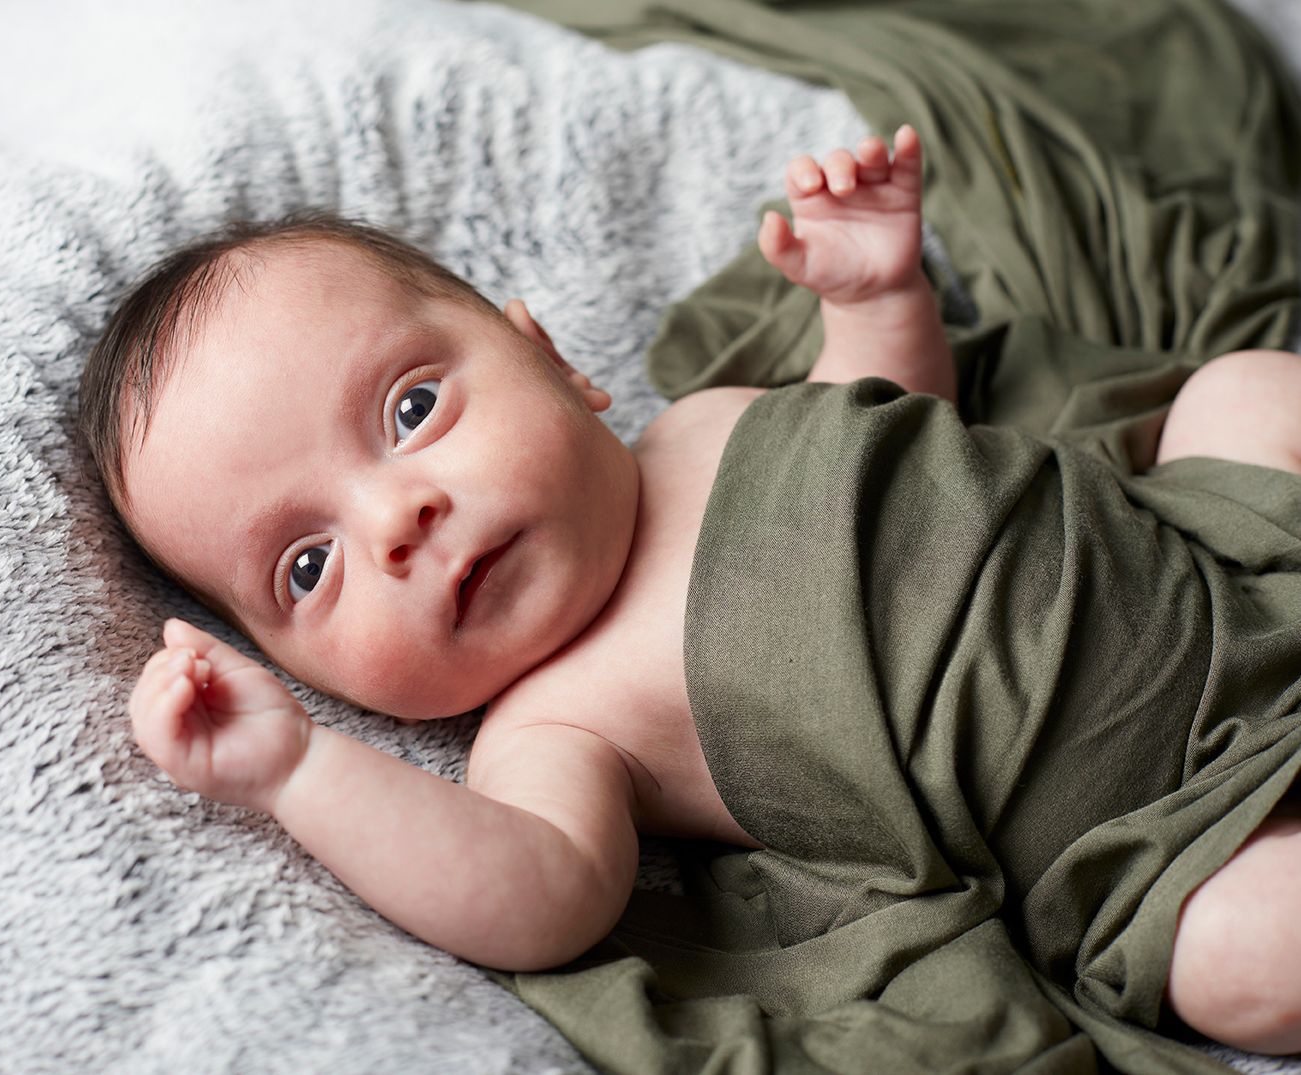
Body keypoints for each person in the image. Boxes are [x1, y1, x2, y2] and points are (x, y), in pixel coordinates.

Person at [77, 126, 1301, 1054]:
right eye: (308, 564)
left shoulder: (705, 421)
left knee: (1246, 389)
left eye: (410, 410)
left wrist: (875, 299)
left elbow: (893, 422)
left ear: (554, 362)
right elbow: (537, 897)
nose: (397, 519)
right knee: (1249, 961)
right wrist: (295, 769)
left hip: (1207, 552)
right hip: (1161, 831)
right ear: (312, 675)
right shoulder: (557, 724)